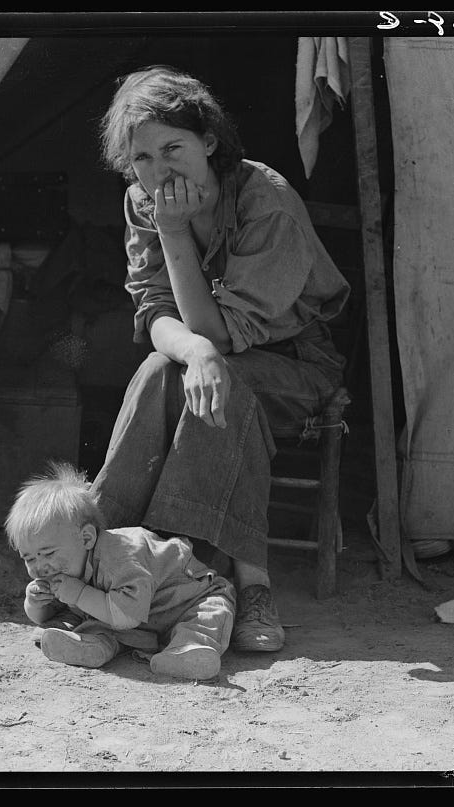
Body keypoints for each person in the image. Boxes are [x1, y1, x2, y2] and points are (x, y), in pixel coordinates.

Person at [91, 66, 350, 652]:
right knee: (163, 369)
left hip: (295, 363)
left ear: (209, 142)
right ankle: (106, 554)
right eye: (143, 158)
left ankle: (231, 581)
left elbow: (225, 334)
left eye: (173, 148)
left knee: (219, 379)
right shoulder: (142, 202)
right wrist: (196, 350)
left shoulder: (267, 201)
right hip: (206, 360)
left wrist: (175, 232)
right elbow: (156, 312)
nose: (159, 171)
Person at [5, 462, 237, 681]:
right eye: (28, 557)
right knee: (97, 621)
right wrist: (35, 604)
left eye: (48, 553)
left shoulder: (121, 557)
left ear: (87, 538)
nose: (39, 566)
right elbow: (55, 612)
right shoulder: (67, 567)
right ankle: (90, 646)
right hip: (135, 620)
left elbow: (127, 615)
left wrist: (78, 594)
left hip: (188, 601)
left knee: (209, 616)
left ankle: (188, 652)